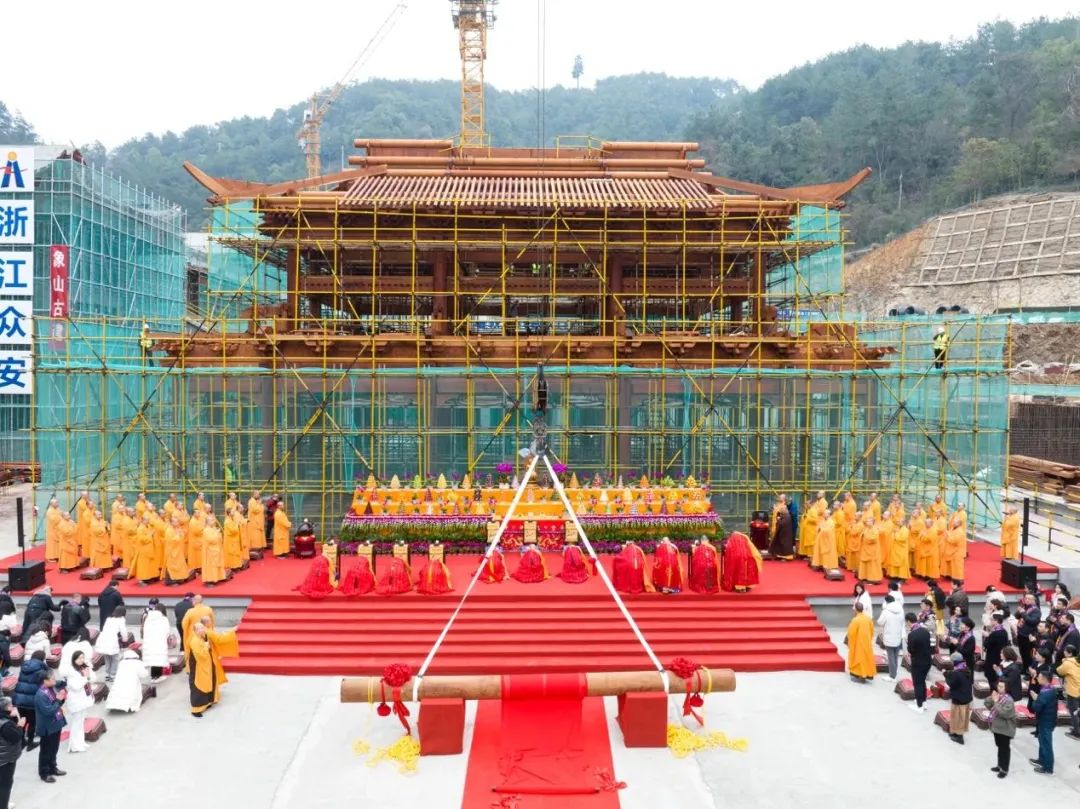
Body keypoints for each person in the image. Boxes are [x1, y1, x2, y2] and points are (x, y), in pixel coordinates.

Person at [34, 670, 66, 783]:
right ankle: (44, 772)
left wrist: (61, 699)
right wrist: (58, 700)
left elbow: (56, 704)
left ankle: (53, 767)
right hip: (47, 727)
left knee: (54, 748)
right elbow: (48, 711)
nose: (54, 680)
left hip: (56, 723)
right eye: (52, 679)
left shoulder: (51, 688)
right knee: (46, 750)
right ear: (45, 681)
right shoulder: (40, 695)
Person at [13, 649, 47, 749]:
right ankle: (30, 742)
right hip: (32, 701)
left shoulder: (24, 666)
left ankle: (22, 741)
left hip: (19, 699)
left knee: (22, 721)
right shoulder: (42, 670)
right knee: (32, 722)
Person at [64, 651, 95, 753]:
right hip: (76, 700)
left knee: (81, 721)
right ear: (74, 659)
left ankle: (81, 742)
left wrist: (88, 676)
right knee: (76, 723)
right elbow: (75, 686)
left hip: (83, 699)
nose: (81, 660)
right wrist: (85, 677)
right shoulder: (71, 671)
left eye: (82, 657)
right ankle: (74, 745)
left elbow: (91, 679)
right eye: (79, 658)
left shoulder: (83, 668)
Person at [985, 680, 1017, 779]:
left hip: (1005, 729)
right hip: (997, 728)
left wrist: (995, 702)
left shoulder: (1009, 700)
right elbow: (987, 704)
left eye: (1002, 687)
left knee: (1004, 749)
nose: (999, 688)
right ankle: (999, 765)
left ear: (1006, 688)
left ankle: (1004, 769)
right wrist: (992, 697)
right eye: (998, 686)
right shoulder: (997, 697)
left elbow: (1004, 713)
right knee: (999, 747)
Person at [1030, 670, 1057, 774]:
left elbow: (1036, 707)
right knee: (1042, 741)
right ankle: (1041, 760)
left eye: (1039, 677)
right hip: (1046, 720)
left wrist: (1035, 699)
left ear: (1045, 679)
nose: (1037, 678)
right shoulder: (1050, 689)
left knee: (1046, 744)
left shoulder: (1045, 693)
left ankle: (1048, 768)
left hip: (1046, 721)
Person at [106, 648, 149, 713]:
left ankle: (114, 704)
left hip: (120, 683)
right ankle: (129, 705)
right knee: (133, 689)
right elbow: (143, 675)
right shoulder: (138, 663)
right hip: (131, 684)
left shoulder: (122, 663)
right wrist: (146, 670)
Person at [0, 696, 25, 808]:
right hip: (6, 759)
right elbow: (16, 737)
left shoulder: (5, 720)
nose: (12, 707)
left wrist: (12, 717)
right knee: (5, 784)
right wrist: (20, 725)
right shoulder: (6, 725)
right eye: (10, 705)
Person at [906, 611, 933, 712]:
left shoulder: (912, 635)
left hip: (918, 663)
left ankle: (919, 705)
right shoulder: (924, 630)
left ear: (909, 622)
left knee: (917, 683)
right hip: (927, 661)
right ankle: (923, 701)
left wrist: (907, 643)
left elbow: (911, 650)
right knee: (922, 682)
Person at [945, 651, 973, 744]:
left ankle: (959, 737)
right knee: (962, 717)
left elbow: (951, 683)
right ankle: (955, 733)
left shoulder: (957, 673)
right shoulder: (966, 668)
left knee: (958, 717)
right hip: (966, 697)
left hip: (959, 698)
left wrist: (946, 676)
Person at [96, 606, 129, 682]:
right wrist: (125, 640)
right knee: (115, 658)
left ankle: (107, 674)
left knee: (107, 658)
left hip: (104, 639)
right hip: (112, 640)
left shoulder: (109, 619)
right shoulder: (121, 620)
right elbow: (123, 631)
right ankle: (113, 675)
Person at [876, 594, 904, 681]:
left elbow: (880, 622)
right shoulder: (900, 609)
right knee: (895, 656)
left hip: (889, 635)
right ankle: (894, 673)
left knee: (890, 656)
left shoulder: (886, 611)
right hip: (898, 635)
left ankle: (892, 675)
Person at [846, 601, 875, 683]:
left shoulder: (855, 620)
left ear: (855, 610)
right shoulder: (868, 619)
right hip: (867, 642)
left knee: (858, 659)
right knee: (867, 658)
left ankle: (859, 674)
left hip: (858, 643)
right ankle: (867, 674)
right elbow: (872, 631)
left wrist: (850, 643)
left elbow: (851, 633)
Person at [142, 604, 172, 682]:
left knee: (153, 658)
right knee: (159, 658)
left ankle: (153, 677)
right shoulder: (164, 619)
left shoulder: (148, 618)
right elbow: (167, 631)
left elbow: (145, 630)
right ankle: (158, 677)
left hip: (149, 641)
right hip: (160, 641)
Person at [1056, 645, 1080, 740]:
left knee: (1074, 712)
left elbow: (1059, 671)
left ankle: (1077, 733)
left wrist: (1064, 662)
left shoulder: (1068, 663)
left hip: (1073, 692)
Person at [983, 612, 1010, 692]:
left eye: (991, 620)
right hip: (1000, 658)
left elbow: (986, 644)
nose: (990, 622)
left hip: (992, 658)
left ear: (996, 621)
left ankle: (993, 693)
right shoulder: (1004, 631)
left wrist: (987, 636)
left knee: (991, 677)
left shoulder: (994, 633)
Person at [1016, 594, 1041, 669]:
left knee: (1028, 654)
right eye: (1026, 598)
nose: (1026, 600)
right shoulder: (1025, 607)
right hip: (1021, 633)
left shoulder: (1036, 610)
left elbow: (1032, 621)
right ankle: (1024, 668)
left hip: (1028, 635)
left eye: (1029, 599)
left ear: (1033, 600)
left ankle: (1029, 670)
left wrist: (1023, 613)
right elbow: (1017, 616)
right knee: (1022, 653)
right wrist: (1019, 611)